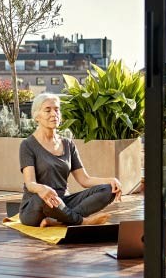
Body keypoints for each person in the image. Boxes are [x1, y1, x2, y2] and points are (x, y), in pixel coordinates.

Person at [19, 93, 121, 227]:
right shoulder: (28, 145)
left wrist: (111, 180)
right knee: (43, 197)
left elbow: (85, 180)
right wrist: (42, 188)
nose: (54, 114)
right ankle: (82, 221)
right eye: (48, 110)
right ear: (37, 116)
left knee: (108, 190)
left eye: (56, 109)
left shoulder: (68, 144)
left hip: (63, 202)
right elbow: (30, 183)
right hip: (35, 207)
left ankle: (58, 220)